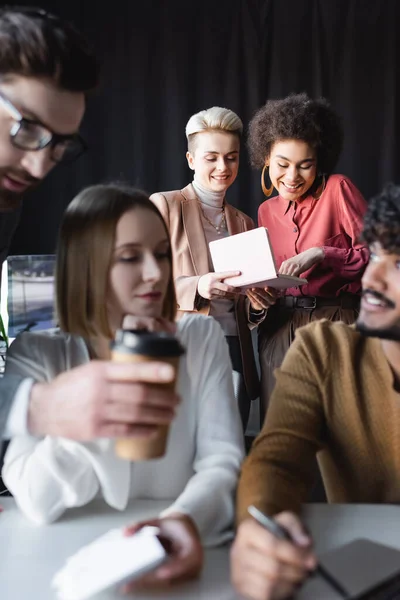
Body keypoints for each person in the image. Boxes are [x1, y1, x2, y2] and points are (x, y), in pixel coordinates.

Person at [2, 184, 244, 586]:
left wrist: (181, 521)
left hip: (176, 557)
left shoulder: (198, 338)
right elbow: (36, 500)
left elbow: (224, 465)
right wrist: (107, 392)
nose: (156, 272)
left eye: (162, 254)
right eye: (131, 257)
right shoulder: (37, 353)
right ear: (87, 266)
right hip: (61, 565)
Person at [0, 7, 176, 446]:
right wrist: (38, 407)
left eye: (60, 144)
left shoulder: (6, 203)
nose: (40, 165)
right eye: (26, 129)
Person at [230, 182, 400, 600]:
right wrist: (259, 526)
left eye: (398, 264)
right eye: (374, 254)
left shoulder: (338, 191)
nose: (371, 276)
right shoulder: (325, 350)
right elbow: (276, 457)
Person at [150, 106, 276, 428]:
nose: (223, 167)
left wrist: (259, 305)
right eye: (212, 158)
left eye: (231, 157)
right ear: (191, 160)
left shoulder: (245, 222)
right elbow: (140, 282)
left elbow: (246, 306)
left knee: (230, 452)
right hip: (184, 345)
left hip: (235, 350)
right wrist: (197, 286)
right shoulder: (164, 206)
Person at [247, 93, 369, 420]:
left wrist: (320, 254)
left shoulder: (339, 190)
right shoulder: (266, 211)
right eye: (282, 165)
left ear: (320, 161)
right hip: (279, 330)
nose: (292, 177)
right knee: (282, 437)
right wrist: (261, 297)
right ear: (266, 160)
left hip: (335, 323)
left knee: (339, 438)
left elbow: (378, 256)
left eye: (305, 165)